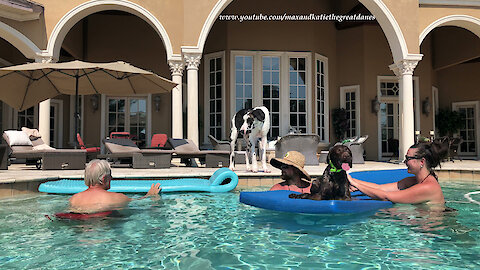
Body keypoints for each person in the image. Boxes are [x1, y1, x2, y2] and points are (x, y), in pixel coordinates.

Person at [347, 141, 448, 204]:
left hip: (432, 234)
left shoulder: (428, 187)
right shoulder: (413, 181)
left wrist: (356, 184)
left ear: (422, 161)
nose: (405, 162)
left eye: (408, 158)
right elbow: (380, 188)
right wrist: (352, 180)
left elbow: (386, 197)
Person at [69, 159, 161, 213]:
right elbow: (140, 204)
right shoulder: (117, 198)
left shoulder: (74, 199)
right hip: (105, 233)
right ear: (104, 179)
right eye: (110, 175)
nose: (112, 178)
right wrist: (150, 195)